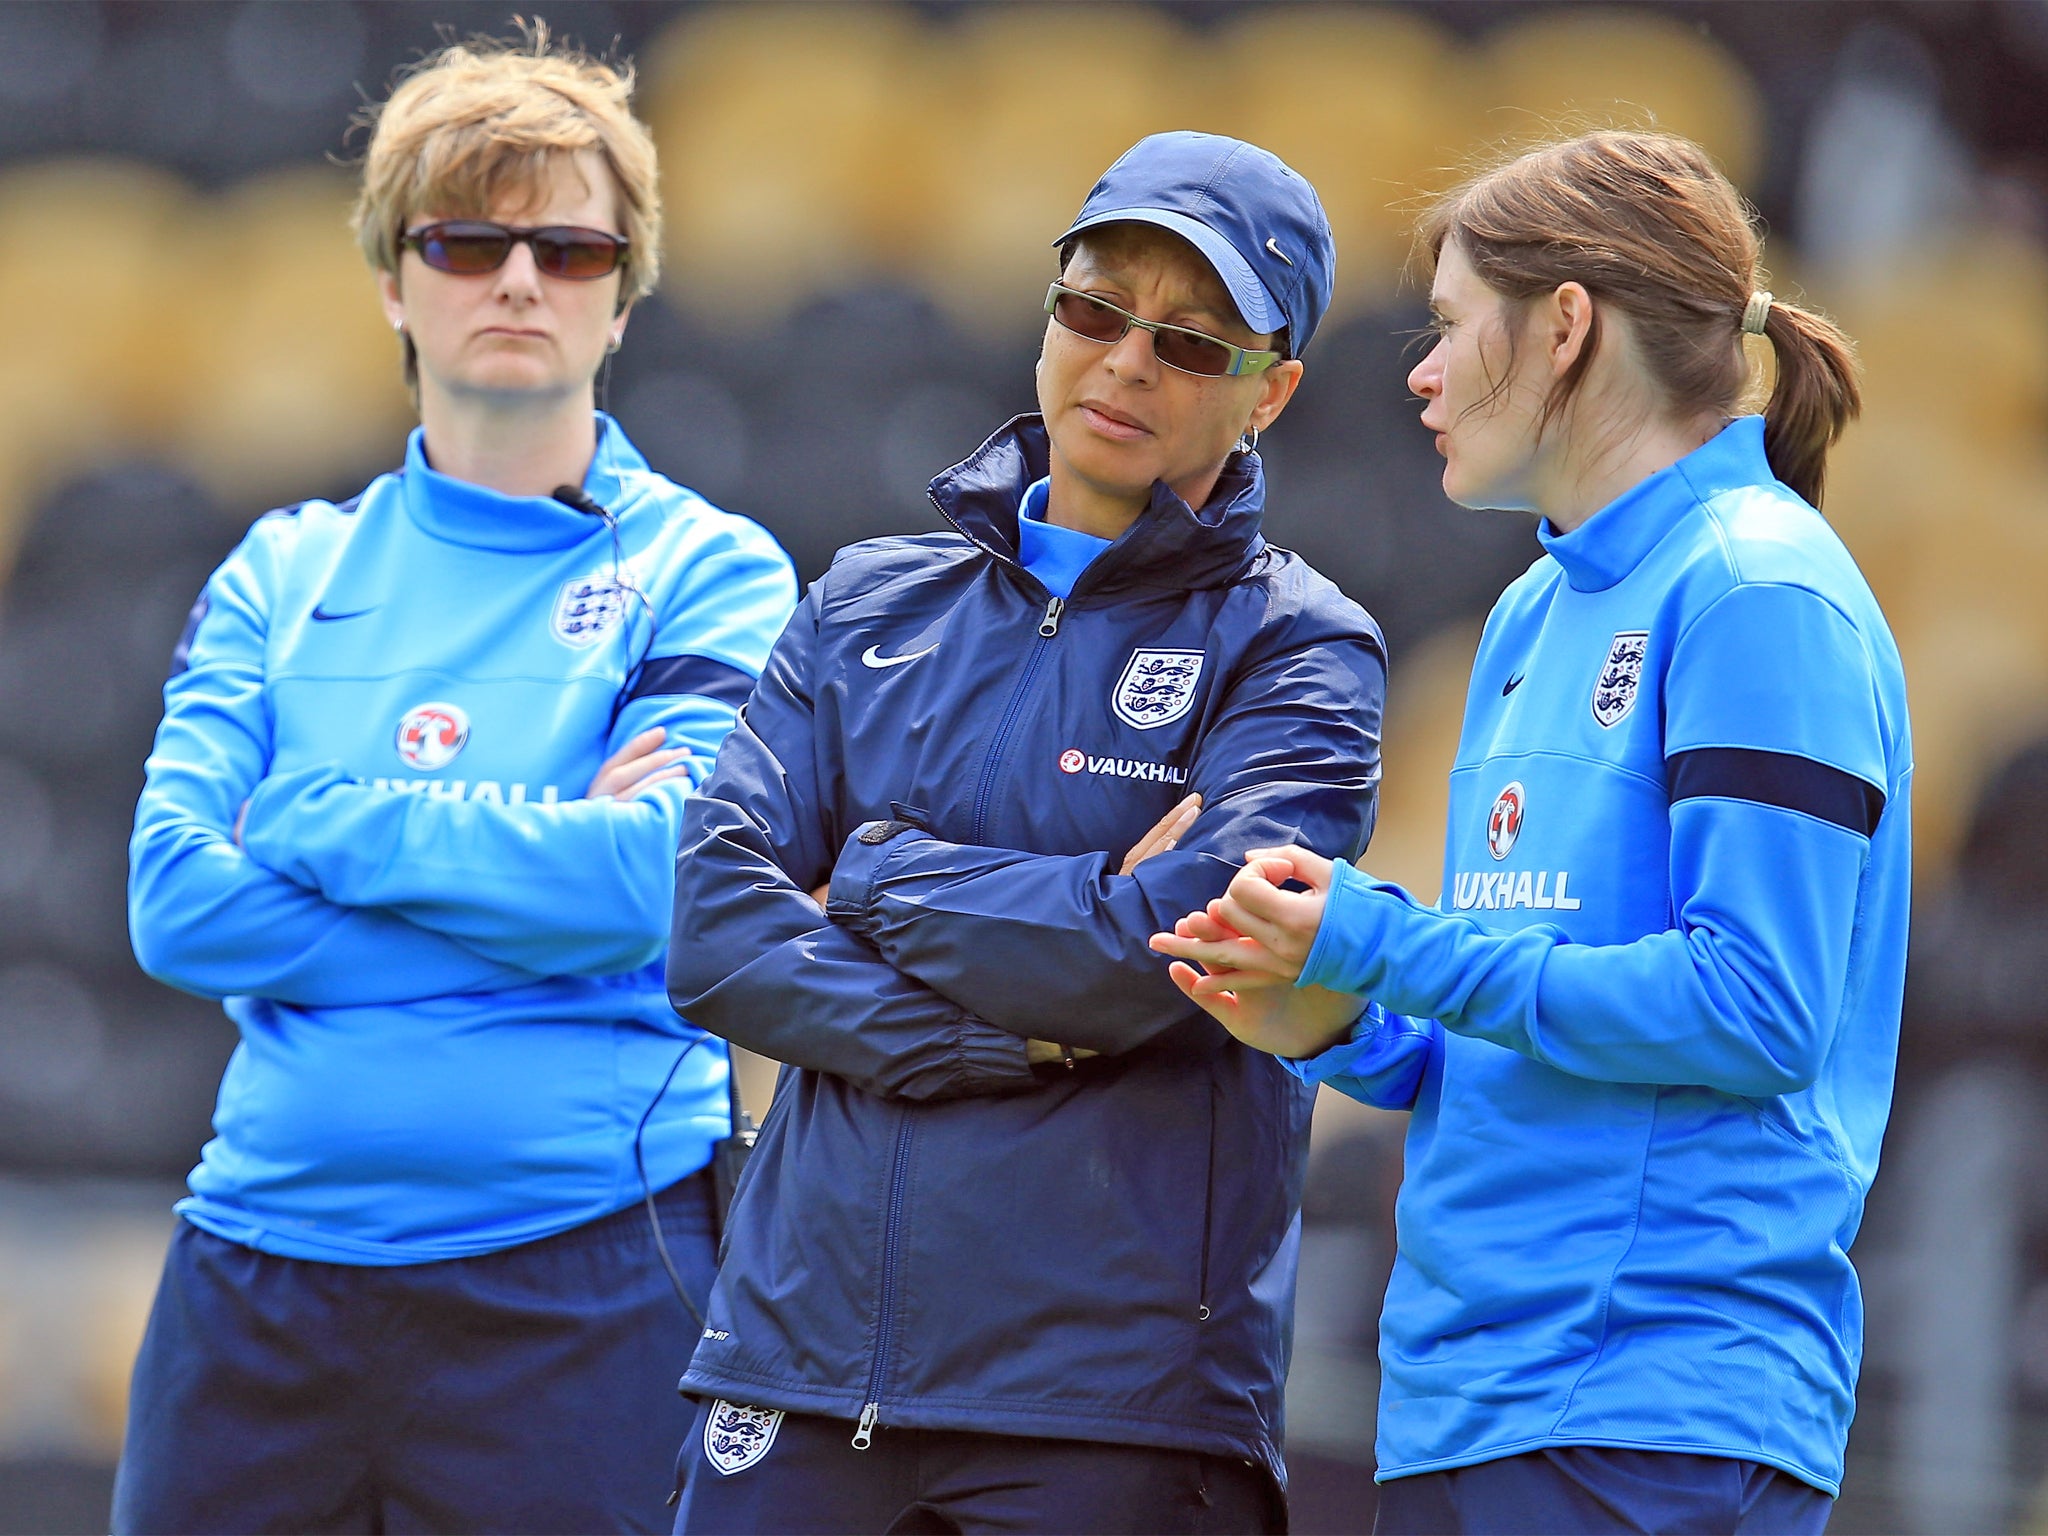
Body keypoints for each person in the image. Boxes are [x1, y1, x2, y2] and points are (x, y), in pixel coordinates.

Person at [1153, 129, 1909, 1534]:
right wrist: (1332, 1014)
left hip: (1652, 1410)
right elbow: (1518, 1018)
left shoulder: (1759, 588)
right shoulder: (1528, 614)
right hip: (1466, 1402)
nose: (1422, 376)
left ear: (1567, 327)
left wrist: (1396, 942)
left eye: (1448, 326)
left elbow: (1758, 1012)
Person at [116, 28, 795, 1534]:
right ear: (390, 279)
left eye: (567, 247)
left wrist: (314, 818)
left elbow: (656, 884)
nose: (516, 280)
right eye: (467, 239)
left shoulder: (712, 568)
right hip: (260, 1272)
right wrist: (536, 876)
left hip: (590, 1269)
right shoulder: (281, 568)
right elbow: (174, 904)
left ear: (623, 295)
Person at [663, 131, 1384, 1534]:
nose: (1125, 361)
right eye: (1096, 309)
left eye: (1190, 341)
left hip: (1107, 1406)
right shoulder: (866, 598)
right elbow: (713, 932)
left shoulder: (1304, 650)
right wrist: (1012, 1022)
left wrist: (867, 871)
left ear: (1273, 391)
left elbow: (1175, 948)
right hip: (798, 1367)